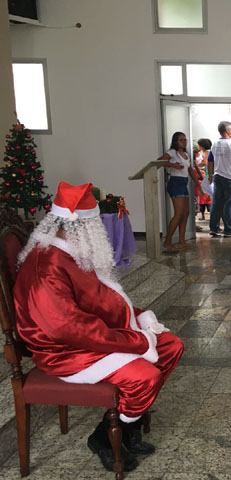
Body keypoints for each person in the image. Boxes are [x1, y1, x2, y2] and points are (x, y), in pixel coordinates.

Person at [13, 181, 184, 473]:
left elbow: (98, 302)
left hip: (90, 338)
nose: (100, 231)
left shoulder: (71, 252)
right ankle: (104, 436)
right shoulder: (47, 265)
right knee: (144, 377)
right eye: (96, 225)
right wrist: (136, 341)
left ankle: (128, 425)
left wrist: (141, 319)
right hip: (64, 351)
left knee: (171, 346)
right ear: (82, 226)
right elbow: (68, 328)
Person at [158, 131, 203, 251]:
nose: (184, 142)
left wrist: (199, 186)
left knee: (185, 213)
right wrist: (173, 165)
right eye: (181, 140)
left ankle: (181, 241)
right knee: (178, 214)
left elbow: (190, 171)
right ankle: (167, 242)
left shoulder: (186, 154)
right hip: (175, 183)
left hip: (183, 183)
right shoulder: (172, 152)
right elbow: (159, 161)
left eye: (185, 140)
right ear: (176, 142)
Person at [208, 121, 231, 237]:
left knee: (216, 203)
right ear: (227, 130)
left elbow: (210, 161)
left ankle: (214, 228)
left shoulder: (214, 144)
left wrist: (210, 175)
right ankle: (228, 230)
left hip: (217, 177)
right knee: (228, 204)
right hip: (229, 178)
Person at [195, 138, 213, 221]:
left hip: (209, 175)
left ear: (201, 146)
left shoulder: (206, 152)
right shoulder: (210, 151)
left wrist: (197, 165)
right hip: (210, 174)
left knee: (208, 193)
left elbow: (205, 162)